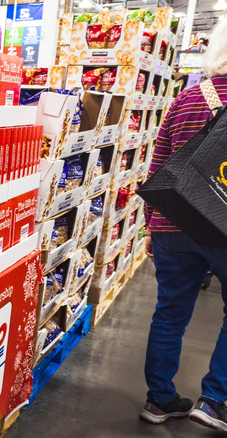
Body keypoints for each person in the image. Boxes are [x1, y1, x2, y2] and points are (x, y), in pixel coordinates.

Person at [140, 19, 227, 433]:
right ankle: (214, 401)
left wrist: (150, 225)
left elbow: (158, 166)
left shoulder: (189, 97)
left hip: (174, 223)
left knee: (169, 314)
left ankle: (159, 400)